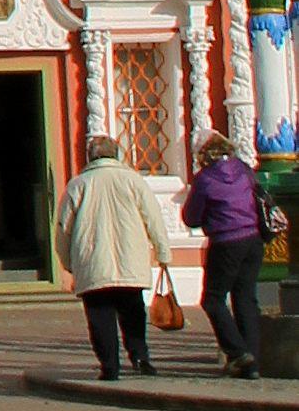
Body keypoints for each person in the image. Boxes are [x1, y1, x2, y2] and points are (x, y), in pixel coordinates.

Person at [59, 131, 174, 383]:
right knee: (133, 311)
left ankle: (110, 365)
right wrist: (163, 252)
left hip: (92, 262)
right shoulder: (133, 181)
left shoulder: (78, 185)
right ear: (117, 154)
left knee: (99, 316)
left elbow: (63, 229)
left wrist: (69, 263)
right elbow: (153, 218)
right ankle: (140, 356)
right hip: (129, 259)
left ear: (90, 157)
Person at [185, 133, 266, 380]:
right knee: (245, 299)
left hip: (226, 242)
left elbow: (192, 217)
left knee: (213, 299)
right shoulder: (244, 171)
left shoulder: (206, 179)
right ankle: (252, 363)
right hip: (253, 240)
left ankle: (238, 352)